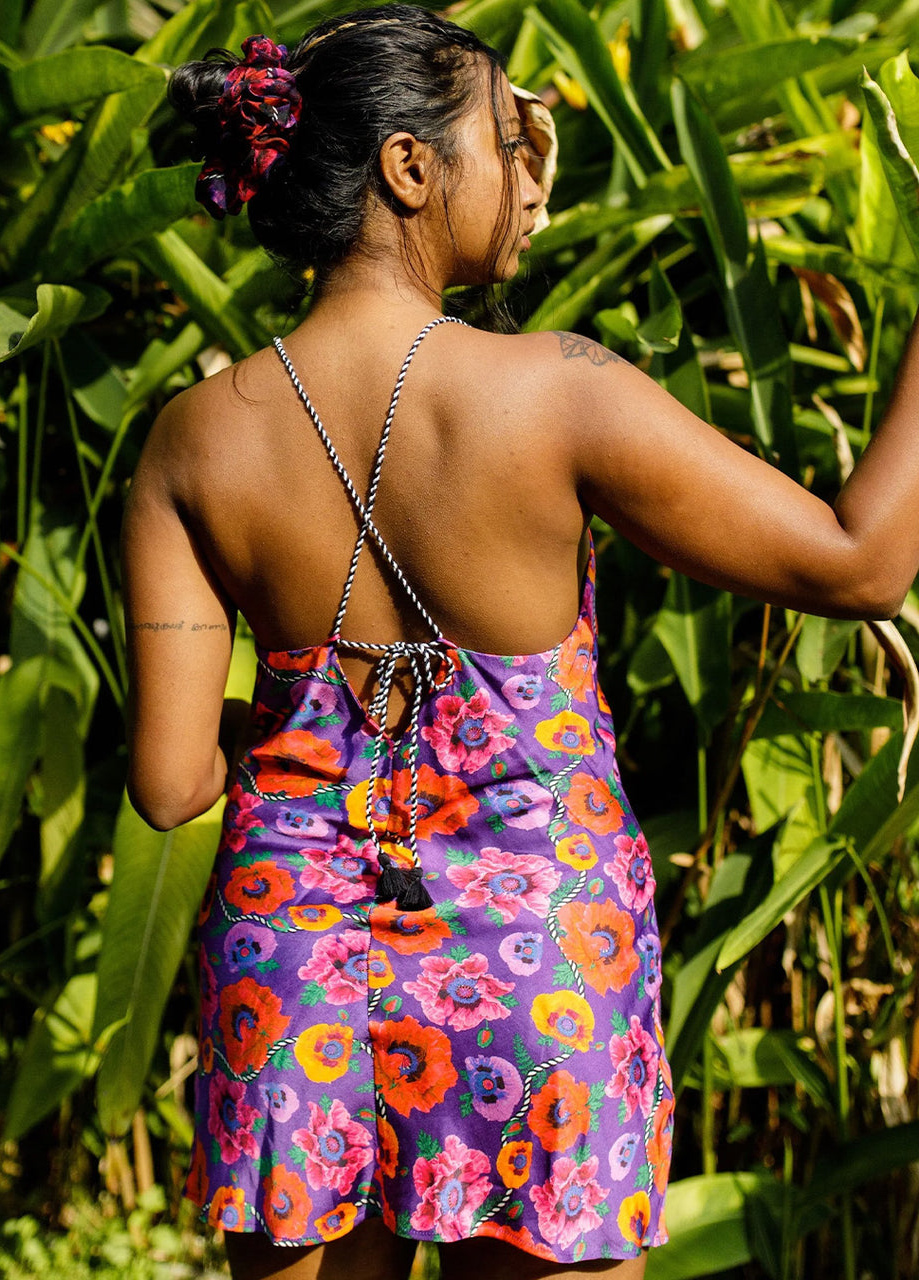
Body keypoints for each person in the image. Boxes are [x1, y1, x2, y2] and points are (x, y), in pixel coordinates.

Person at [122, 6, 919, 1278]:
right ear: (408, 168)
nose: (529, 172)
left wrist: (317, 752)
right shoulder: (555, 393)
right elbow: (861, 560)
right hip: (537, 961)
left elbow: (168, 786)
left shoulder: (189, 441)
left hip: (293, 960)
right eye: (505, 137)